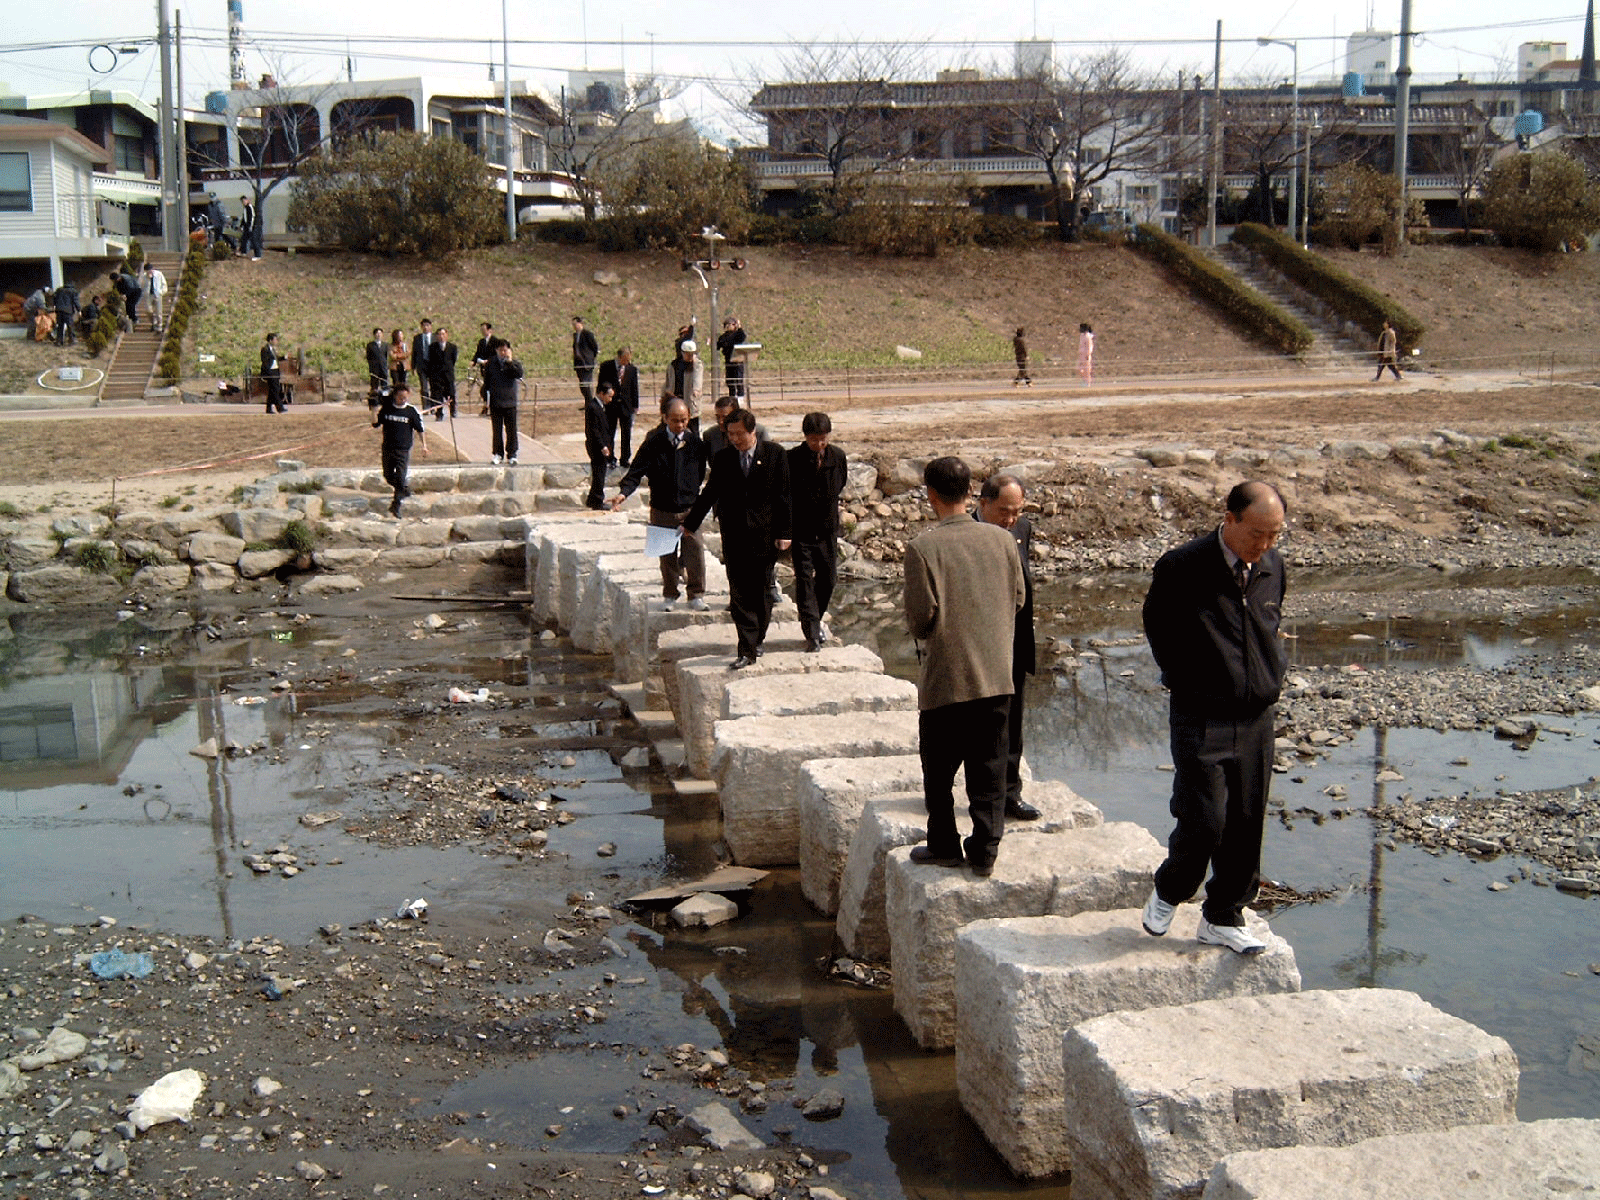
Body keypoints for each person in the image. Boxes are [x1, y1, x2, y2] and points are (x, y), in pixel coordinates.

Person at [1139, 481, 1289, 955]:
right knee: (1204, 817)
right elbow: (1157, 625)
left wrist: (1270, 673)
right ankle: (1171, 888)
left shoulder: (1272, 566)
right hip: (1201, 712)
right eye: (1258, 533)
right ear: (1229, 520)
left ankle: (1224, 915)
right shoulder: (1184, 566)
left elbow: (1269, 625)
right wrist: (1187, 678)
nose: (1265, 545)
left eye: (1275, 535)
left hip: (1256, 716)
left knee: (1246, 820)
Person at [903, 456, 1025, 878]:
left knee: (938, 771)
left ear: (931, 494)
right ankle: (986, 850)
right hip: (995, 676)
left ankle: (944, 845)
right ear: (972, 492)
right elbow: (1019, 599)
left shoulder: (923, 548)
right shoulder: (1004, 541)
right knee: (990, 767)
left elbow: (920, 620)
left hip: (947, 679)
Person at [682, 409, 791, 669]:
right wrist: (691, 522)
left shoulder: (775, 454)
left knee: (762, 590)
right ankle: (746, 648)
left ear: (752, 431)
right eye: (730, 434)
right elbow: (710, 492)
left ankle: (758, 636)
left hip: (765, 535)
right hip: (734, 534)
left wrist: (785, 533)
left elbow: (784, 496)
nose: (734, 439)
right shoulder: (723, 458)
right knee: (739, 592)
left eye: (739, 434)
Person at [976, 474, 1041, 822]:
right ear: (982, 503)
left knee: (1013, 722)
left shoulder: (1022, 530)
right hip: (977, 645)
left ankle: (1010, 794)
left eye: (1017, 511)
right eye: (1004, 511)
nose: (1011, 519)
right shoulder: (965, 535)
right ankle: (976, 796)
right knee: (976, 724)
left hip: (1014, 640)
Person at [610, 397, 709, 610]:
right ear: (665, 418)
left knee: (695, 552)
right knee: (666, 555)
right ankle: (670, 594)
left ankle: (696, 594)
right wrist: (624, 493)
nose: (680, 425)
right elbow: (636, 470)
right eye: (675, 420)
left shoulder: (696, 444)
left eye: (683, 420)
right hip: (662, 508)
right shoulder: (654, 442)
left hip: (689, 507)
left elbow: (700, 473)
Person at [787, 412, 848, 653]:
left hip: (827, 529)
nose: (819, 444)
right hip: (801, 530)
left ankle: (816, 618)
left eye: (823, 439)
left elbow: (840, 483)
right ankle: (811, 633)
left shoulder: (837, 457)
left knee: (828, 579)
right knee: (804, 581)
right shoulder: (792, 458)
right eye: (814, 440)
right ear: (805, 438)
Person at [373, 385, 427, 517]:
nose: (403, 400)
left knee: (401, 477)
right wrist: (373, 409)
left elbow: (420, 429)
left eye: (405, 397)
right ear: (395, 396)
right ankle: (404, 490)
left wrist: (424, 445)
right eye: (400, 397)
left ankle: (396, 505)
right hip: (387, 447)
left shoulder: (411, 411)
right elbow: (375, 424)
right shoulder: (387, 408)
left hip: (403, 449)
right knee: (388, 475)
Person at [482, 338, 524, 464]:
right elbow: (486, 383)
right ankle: (497, 453)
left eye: (505, 350)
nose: (503, 353)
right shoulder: (491, 364)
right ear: (496, 350)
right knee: (497, 430)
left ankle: (512, 454)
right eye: (500, 350)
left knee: (511, 429)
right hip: (496, 402)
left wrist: (510, 361)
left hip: (510, 402)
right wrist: (486, 399)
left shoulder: (514, 364)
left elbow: (518, 374)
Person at [597, 347, 640, 466]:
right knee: (609, 432)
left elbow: (634, 388)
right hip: (611, 405)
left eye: (628, 360)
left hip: (626, 406)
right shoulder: (607, 366)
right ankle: (610, 458)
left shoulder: (632, 369)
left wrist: (635, 406)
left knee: (626, 434)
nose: (627, 362)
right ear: (620, 357)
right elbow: (601, 384)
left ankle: (625, 458)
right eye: (625, 360)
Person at [585, 381, 615, 509]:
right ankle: (597, 501)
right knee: (599, 475)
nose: (610, 399)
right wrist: (602, 446)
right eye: (609, 396)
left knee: (599, 472)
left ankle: (591, 499)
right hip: (596, 446)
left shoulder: (600, 406)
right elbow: (594, 430)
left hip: (600, 445)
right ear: (601, 394)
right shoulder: (593, 407)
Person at [670, 339, 703, 430]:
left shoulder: (697, 365)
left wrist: (696, 390)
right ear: (682, 353)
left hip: (691, 403)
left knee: (693, 430)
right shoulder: (674, 365)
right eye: (688, 354)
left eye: (692, 353)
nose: (690, 356)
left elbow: (697, 379)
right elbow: (668, 382)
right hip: (676, 401)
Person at [428, 328, 459, 420]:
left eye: (443, 334)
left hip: (448, 375)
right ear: (436, 336)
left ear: (446, 335)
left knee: (451, 393)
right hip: (436, 375)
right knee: (437, 395)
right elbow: (431, 361)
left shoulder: (452, 347)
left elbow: (453, 360)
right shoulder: (432, 347)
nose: (441, 336)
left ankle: (453, 411)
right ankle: (439, 414)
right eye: (439, 334)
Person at [716, 316, 748, 399]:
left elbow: (742, 337)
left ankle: (740, 398)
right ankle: (732, 398)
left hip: (738, 361)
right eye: (732, 324)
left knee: (739, 380)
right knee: (730, 381)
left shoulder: (737, 334)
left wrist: (739, 327)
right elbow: (718, 346)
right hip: (729, 361)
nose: (733, 326)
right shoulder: (723, 337)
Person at [572, 315, 599, 402]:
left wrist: (590, 358)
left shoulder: (588, 334)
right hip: (579, 363)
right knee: (582, 384)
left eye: (576, 324)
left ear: (580, 323)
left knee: (586, 383)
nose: (575, 326)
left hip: (587, 363)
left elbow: (595, 347)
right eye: (573, 325)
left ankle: (591, 402)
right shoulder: (575, 336)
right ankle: (588, 401)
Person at [472, 322, 496, 415]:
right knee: (485, 389)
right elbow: (477, 353)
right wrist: (473, 361)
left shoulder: (495, 341)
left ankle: (488, 407)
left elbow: (496, 355)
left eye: (484, 329)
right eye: (481, 330)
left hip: (492, 369)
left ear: (489, 330)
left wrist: (488, 361)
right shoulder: (481, 342)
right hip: (484, 368)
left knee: (488, 389)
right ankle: (486, 405)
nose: (482, 331)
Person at [411, 319, 434, 410]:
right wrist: (413, 366)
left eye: (427, 325)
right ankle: (426, 406)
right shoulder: (417, 338)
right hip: (422, 365)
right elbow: (414, 353)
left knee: (433, 387)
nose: (425, 327)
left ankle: (432, 406)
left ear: (431, 326)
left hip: (433, 366)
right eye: (424, 325)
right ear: (421, 327)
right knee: (424, 387)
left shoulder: (435, 337)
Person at [260, 332, 286, 414]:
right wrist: (267, 372)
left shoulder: (272, 349)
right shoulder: (265, 349)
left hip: (275, 371)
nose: (276, 341)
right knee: (275, 390)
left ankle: (268, 409)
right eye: (275, 339)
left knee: (272, 391)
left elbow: (276, 359)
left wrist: (283, 357)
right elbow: (265, 361)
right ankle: (280, 407)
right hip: (270, 372)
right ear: (270, 340)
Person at [52, 282, 81, 346]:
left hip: (59, 310)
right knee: (70, 326)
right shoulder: (73, 291)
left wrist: (55, 306)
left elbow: (54, 298)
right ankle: (71, 340)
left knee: (60, 326)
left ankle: (59, 341)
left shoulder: (59, 290)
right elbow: (75, 301)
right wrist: (79, 310)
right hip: (68, 311)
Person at [366, 328, 389, 404]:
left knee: (385, 386)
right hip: (374, 369)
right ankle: (374, 402)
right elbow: (368, 357)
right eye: (377, 333)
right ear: (374, 335)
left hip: (383, 368)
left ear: (382, 335)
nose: (378, 335)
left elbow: (386, 356)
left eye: (380, 333)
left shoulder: (385, 345)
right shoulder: (370, 345)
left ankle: (385, 401)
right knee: (374, 386)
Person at [143, 262, 168, 333]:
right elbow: (142, 286)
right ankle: (153, 322)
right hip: (149, 295)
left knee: (158, 311)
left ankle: (159, 326)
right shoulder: (144, 277)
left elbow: (164, 284)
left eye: (150, 270)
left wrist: (162, 292)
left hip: (157, 294)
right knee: (148, 310)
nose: (149, 272)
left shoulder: (158, 274)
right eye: (147, 271)